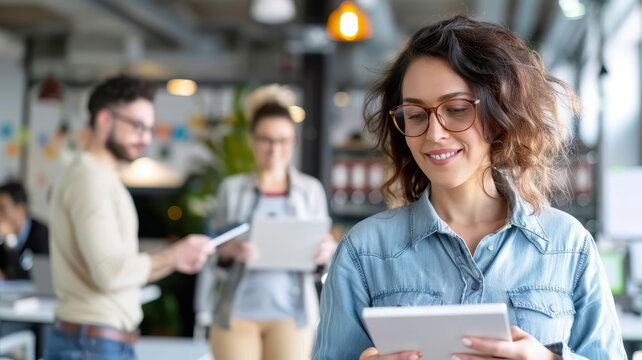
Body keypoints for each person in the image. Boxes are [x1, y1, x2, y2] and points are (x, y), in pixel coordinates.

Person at [312, 15, 625, 360]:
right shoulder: (363, 253)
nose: (434, 134)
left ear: (500, 112)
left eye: (457, 109)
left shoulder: (569, 246)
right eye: (416, 115)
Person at [45, 75, 215, 360]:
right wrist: (173, 256)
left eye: (150, 129)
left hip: (97, 341)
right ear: (104, 121)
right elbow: (109, 273)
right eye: (137, 126)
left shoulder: (101, 177)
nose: (146, 138)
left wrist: (177, 257)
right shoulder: (90, 180)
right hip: (92, 344)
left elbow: (118, 267)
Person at [202, 85, 336, 360]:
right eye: (266, 139)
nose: (275, 149)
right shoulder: (232, 189)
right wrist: (230, 250)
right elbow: (214, 255)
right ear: (252, 139)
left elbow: (321, 263)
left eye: (284, 140)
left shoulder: (310, 190)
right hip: (237, 312)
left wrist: (325, 253)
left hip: (293, 313)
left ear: (294, 141)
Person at [0, 181, 49, 280]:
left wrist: (10, 241)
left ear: (21, 209)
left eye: (3, 209)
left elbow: (39, 278)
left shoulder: (42, 235)